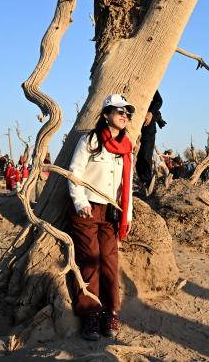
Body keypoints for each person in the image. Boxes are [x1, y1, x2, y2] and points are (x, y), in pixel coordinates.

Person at [67, 94, 136, 341]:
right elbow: (74, 173)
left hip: (110, 213)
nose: (123, 115)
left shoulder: (127, 148)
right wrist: (80, 202)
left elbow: (126, 187)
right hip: (86, 210)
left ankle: (111, 311)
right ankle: (91, 315)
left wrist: (126, 217)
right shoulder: (91, 140)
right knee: (89, 260)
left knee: (109, 261)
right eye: (118, 111)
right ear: (106, 114)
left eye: (127, 112)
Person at [136, 91, 165, 187]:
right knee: (137, 156)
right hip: (132, 125)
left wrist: (151, 112)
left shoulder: (150, 85)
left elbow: (159, 101)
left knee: (145, 154)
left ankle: (147, 183)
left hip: (148, 127)